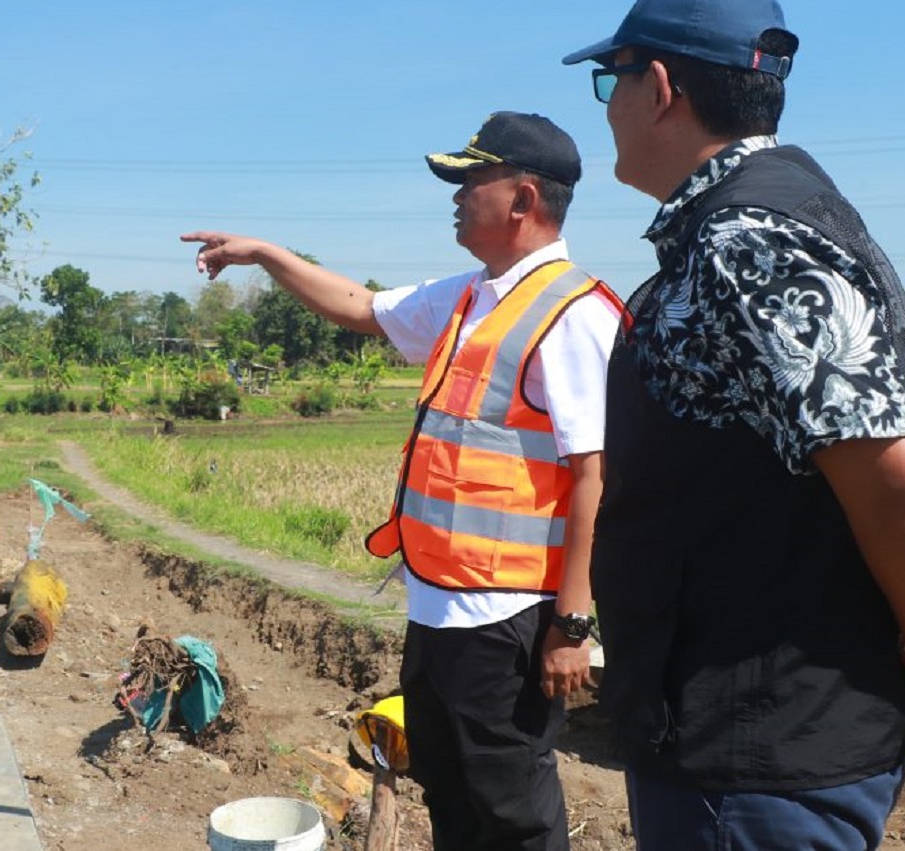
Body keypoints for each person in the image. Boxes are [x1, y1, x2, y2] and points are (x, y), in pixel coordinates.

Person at [182, 111, 623, 851]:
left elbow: (596, 475)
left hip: (508, 620)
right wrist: (265, 254)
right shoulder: (469, 297)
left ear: (521, 198)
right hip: (437, 608)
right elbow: (360, 306)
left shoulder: (573, 313)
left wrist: (572, 626)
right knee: (450, 798)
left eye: (468, 180)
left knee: (513, 813)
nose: (453, 195)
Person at [563, 1, 905, 847]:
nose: (607, 106)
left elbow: (887, 473)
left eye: (613, 79)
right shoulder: (750, 223)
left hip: (759, 759)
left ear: (662, 89)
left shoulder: (750, 240)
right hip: (742, 738)